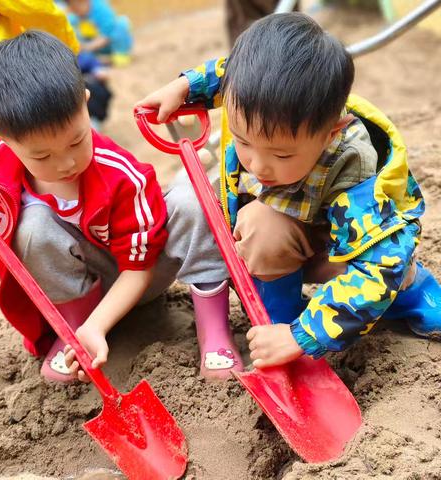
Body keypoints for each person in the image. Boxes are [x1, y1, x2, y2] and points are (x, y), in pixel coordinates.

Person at [137, 13, 441, 369]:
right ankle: (279, 319)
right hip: (292, 232)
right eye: (243, 141)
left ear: (330, 132)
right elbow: (230, 73)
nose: (258, 165)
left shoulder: (357, 175)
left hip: (347, 253)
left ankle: (414, 291)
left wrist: (304, 336)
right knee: (260, 227)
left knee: (389, 277)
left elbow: (377, 269)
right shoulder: (254, 102)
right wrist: (188, 87)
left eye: (281, 154)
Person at [0, 30, 242, 383]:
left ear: (85, 101)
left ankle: (214, 332)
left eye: (77, 140)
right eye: (42, 156)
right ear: (2, 137)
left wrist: (100, 324)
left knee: (192, 198)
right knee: (31, 224)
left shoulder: (120, 175)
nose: (65, 164)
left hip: (139, 274)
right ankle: (72, 333)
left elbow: (138, 267)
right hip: (80, 288)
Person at [0, 0, 79, 305]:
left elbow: (38, 12)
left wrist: (62, 74)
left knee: (40, 194)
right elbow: (43, 14)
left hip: (7, 121)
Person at [64, 0, 133, 67]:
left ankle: (120, 54)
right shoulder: (74, 18)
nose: (74, 11)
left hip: (109, 43)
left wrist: (87, 47)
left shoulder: (100, 9)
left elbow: (107, 34)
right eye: (72, 8)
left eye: (76, 8)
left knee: (120, 27)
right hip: (95, 47)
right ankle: (103, 59)